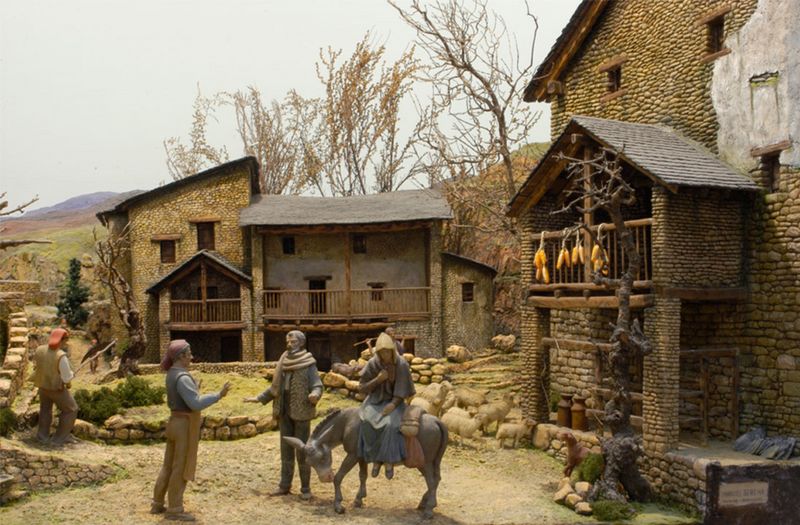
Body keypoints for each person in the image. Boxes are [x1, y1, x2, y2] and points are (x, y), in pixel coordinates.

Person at [152, 340, 230, 521]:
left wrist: (195, 390)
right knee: (180, 467)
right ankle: (175, 508)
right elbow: (195, 404)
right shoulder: (183, 377)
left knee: (167, 465)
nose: (192, 357)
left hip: (173, 421)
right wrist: (218, 395)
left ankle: (157, 502)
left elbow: (186, 397)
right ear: (181, 356)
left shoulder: (171, 374)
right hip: (184, 425)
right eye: (189, 354)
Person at [245, 330, 322, 500]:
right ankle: (284, 485)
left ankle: (305, 488)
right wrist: (258, 398)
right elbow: (275, 388)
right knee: (286, 450)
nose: (289, 344)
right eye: (288, 341)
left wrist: (315, 394)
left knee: (303, 450)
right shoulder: (283, 361)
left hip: (301, 410)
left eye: (293, 342)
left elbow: (317, 385)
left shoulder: (308, 363)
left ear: (301, 343)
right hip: (284, 409)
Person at [357, 332, 415, 480]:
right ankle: (376, 459)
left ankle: (389, 461)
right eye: (382, 353)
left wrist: (393, 404)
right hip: (374, 401)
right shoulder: (373, 364)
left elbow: (403, 387)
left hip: (395, 401)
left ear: (392, 351)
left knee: (390, 425)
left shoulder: (401, 364)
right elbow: (362, 387)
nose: (385, 355)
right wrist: (378, 380)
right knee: (366, 422)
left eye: (387, 352)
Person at [31, 327, 78, 446]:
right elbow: (66, 378)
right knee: (71, 409)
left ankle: (42, 437)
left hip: (42, 386)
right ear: (61, 340)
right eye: (65, 340)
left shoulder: (40, 350)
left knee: (45, 409)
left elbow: (36, 366)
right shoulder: (61, 356)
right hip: (55, 388)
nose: (66, 342)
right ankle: (59, 439)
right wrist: (72, 375)